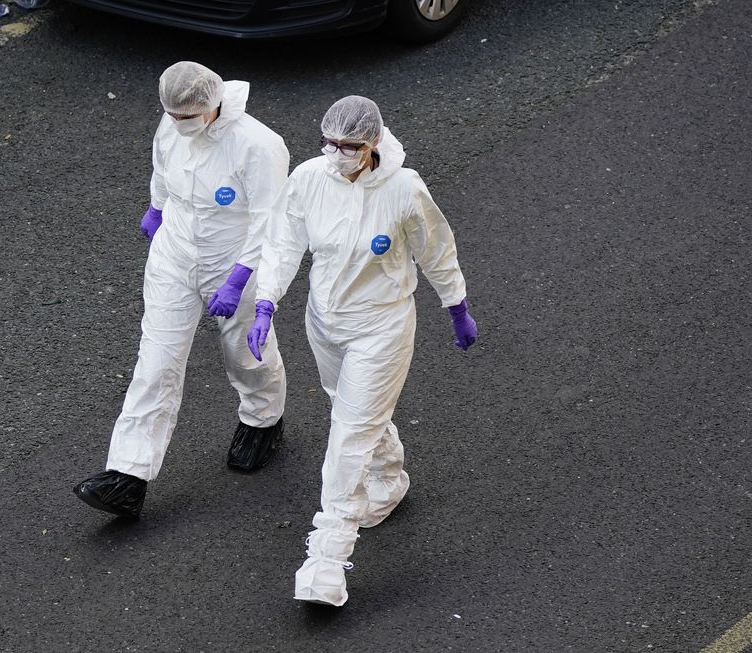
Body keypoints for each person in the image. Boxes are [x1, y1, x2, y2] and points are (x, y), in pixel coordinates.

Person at [247, 96, 477, 606]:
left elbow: (436, 248)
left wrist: (455, 304)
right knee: (355, 414)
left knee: (349, 435)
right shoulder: (310, 178)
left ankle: (326, 560)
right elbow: (283, 242)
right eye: (329, 143)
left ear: (372, 143)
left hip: (382, 327)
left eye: (348, 146)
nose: (337, 153)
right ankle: (388, 479)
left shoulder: (403, 188)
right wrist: (266, 301)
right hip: (325, 324)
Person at [74, 62, 289, 519]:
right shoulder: (173, 122)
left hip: (234, 264)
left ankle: (263, 419)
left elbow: (271, 221)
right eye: (173, 117)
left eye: (188, 118)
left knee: (244, 353)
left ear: (214, 105)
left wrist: (238, 278)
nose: (180, 125)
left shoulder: (258, 145)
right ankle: (127, 477)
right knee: (156, 361)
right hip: (175, 255)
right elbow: (161, 167)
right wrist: (155, 209)